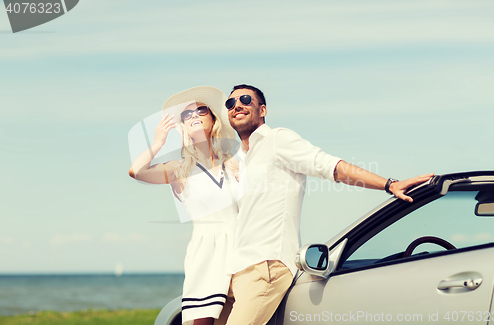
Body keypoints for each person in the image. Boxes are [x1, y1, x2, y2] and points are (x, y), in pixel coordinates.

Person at [218, 84, 434, 325]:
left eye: (245, 100)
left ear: (263, 110)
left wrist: (388, 184)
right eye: (230, 103)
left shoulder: (277, 139)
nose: (237, 105)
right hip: (234, 270)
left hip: (265, 266)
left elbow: (329, 166)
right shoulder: (241, 160)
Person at [128, 86, 239, 325]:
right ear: (182, 126)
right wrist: (158, 142)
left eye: (200, 110)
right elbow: (136, 171)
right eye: (186, 115)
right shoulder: (180, 169)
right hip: (207, 256)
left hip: (241, 252)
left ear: (213, 118)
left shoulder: (233, 164)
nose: (194, 116)